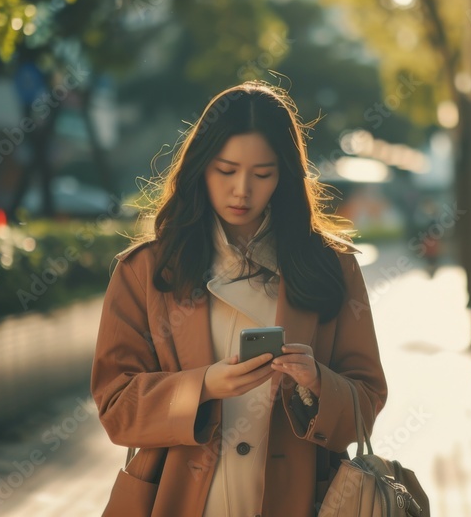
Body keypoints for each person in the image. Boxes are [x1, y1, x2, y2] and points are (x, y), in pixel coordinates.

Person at [90, 81, 388, 517]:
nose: (242, 191)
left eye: (262, 174)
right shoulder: (146, 270)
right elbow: (116, 406)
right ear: (199, 167)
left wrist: (318, 383)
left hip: (304, 500)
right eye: (225, 171)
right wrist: (204, 386)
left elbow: (367, 397)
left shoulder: (331, 267)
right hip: (180, 500)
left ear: (284, 175)